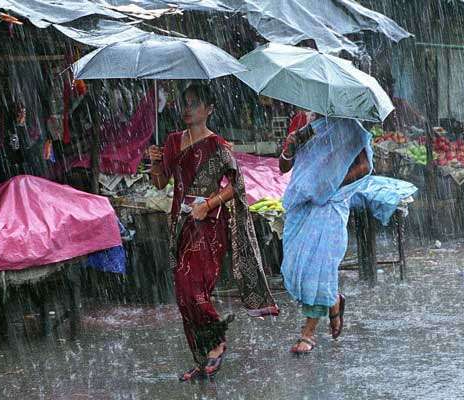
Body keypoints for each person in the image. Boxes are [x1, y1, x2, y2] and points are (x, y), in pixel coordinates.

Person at [147, 83, 278, 381]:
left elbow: (238, 186)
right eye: (185, 103)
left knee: (193, 288)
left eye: (194, 104)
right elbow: (159, 183)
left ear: (209, 110)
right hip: (180, 225)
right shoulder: (171, 142)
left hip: (208, 227)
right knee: (183, 294)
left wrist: (209, 203)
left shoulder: (218, 146)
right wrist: (155, 163)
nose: (187, 109)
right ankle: (200, 357)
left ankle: (217, 341)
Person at [279, 114, 371, 354]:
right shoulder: (302, 123)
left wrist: (331, 183)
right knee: (293, 265)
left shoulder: (350, 126)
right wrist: (290, 147)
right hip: (302, 204)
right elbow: (284, 167)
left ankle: (308, 333)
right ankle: (333, 300)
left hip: (330, 204)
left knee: (317, 267)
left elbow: (365, 166)